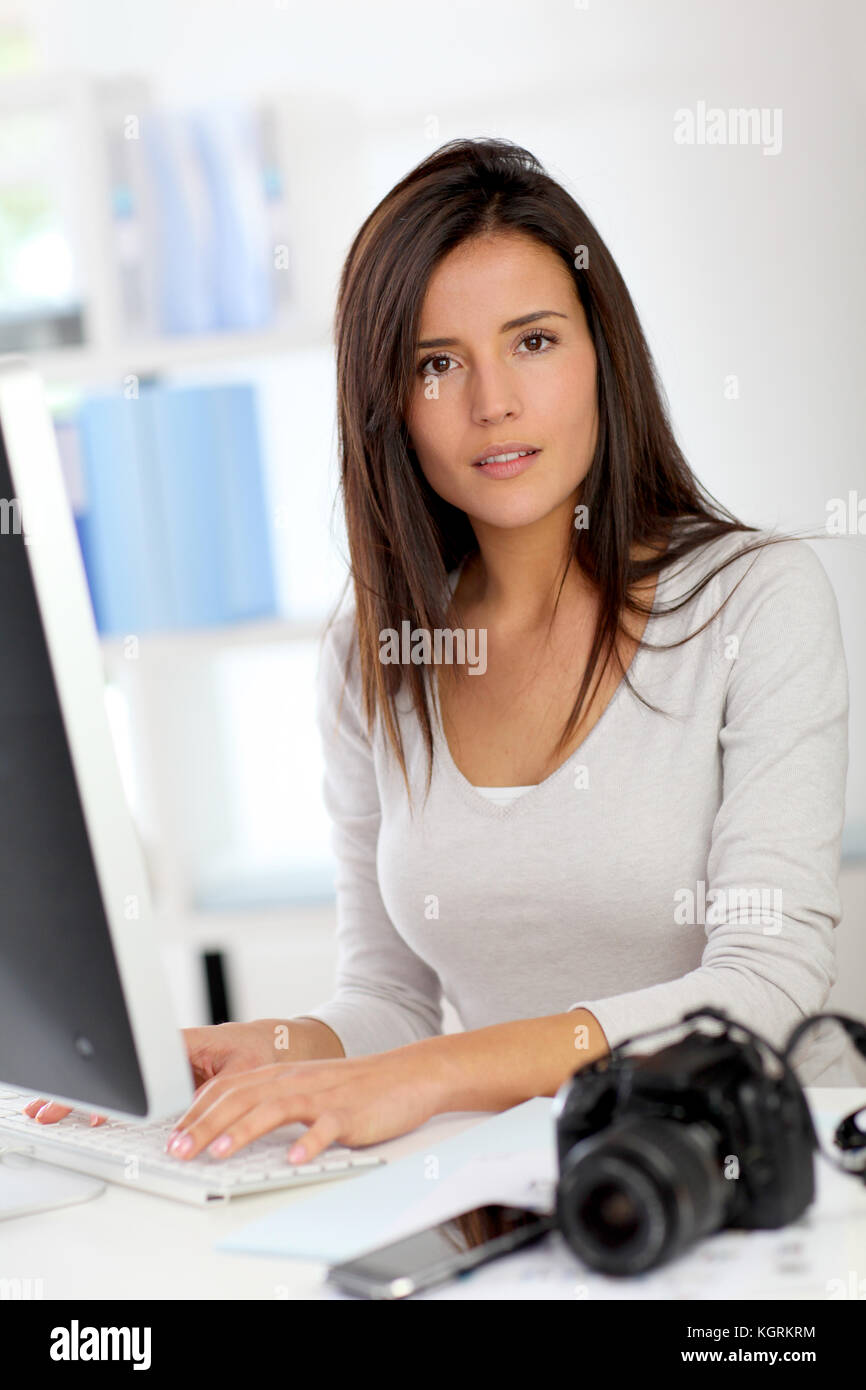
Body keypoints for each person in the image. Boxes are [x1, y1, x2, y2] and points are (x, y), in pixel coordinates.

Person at [27, 137, 857, 1166]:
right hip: (527, 1191)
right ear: (388, 405)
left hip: (757, 1180)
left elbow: (762, 984)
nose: (491, 402)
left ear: (603, 354)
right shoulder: (368, 659)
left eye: (534, 341)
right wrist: (258, 1051)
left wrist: (428, 1075)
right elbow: (388, 1000)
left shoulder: (755, 600)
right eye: (435, 363)